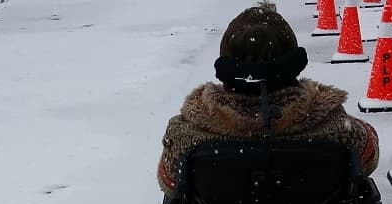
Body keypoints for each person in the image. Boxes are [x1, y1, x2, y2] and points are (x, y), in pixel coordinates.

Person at [157, 1, 379, 194]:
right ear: (294, 65)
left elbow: (169, 183)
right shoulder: (336, 125)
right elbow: (370, 156)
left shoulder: (187, 132)